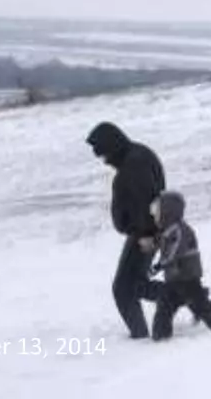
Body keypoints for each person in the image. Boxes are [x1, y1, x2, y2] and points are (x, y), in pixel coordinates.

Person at [86, 121, 165, 338]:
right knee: (134, 285)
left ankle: (140, 335)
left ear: (113, 145)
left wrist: (147, 235)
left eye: (104, 155)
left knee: (124, 289)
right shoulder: (136, 156)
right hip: (146, 231)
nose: (105, 162)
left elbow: (146, 201)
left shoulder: (134, 165)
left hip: (145, 233)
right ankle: (180, 296)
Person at [147, 190, 211, 339]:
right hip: (175, 279)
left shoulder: (180, 229)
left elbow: (174, 252)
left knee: (199, 304)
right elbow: (163, 242)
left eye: (158, 210)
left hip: (187, 277)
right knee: (165, 305)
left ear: (168, 211)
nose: (155, 215)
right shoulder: (169, 230)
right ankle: (160, 337)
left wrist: (158, 265)